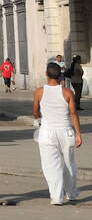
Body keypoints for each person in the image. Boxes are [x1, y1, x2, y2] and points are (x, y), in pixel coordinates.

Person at [34, 61, 81, 204]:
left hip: (47, 132)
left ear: (46, 74)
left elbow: (35, 110)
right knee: (69, 164)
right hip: (66, 131)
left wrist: (39, 119)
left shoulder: (39, 92)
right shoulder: (67, 92)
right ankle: (71, 193)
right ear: (60, 75)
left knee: (50, 166)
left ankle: (56, 197)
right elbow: (73, 114)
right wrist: (78, 133)